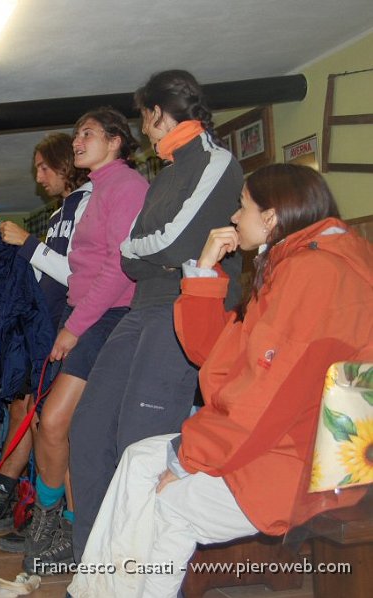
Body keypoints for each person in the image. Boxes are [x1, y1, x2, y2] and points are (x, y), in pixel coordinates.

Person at [67, 164, 373, 598]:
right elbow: (219, 359)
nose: (233, 217)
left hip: (316, 460)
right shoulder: (301, 263)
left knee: (172, 505)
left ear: (271, 217)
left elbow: (265, 397)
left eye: (242, 206)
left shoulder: (313, 274)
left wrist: (189, 459)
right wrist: (204, 272)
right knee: (139, 459)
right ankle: (95, 592)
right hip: (292, 439)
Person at [67, 70, 244, 562]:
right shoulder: (165, 173)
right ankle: (95, 568)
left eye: (146, 120)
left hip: (183, 310)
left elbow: (176, 241)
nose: (145, 131)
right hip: (142, 308)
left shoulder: (215, 160)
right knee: (89, 430)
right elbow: (129, 253)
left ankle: (142, 573)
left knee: (138, 445)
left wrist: (149, 253)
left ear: (160, 115)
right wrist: (150, 253)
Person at [18, 109, 148, 573]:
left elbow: (119, 267)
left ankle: (63, 525)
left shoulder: (128, 186)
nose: (77, 140)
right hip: (85, 314)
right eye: (75, 134)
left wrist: (74, 327)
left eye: (87, 134)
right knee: (61, 427)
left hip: (109, 317)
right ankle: (63, 526)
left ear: (115, 141)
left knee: (56, 422)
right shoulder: (98, 190)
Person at [0, 133, 91, 547]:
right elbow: (44, 278)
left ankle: (66, 523)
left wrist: (26, 245)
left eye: (42, 167)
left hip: (77, 332)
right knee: (31, 416)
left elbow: (80, 276)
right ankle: (29, 505)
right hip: (45, 334)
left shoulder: (88, 205)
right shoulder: (56, 217)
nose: (37, 176)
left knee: (57, 428)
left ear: (64, 165)